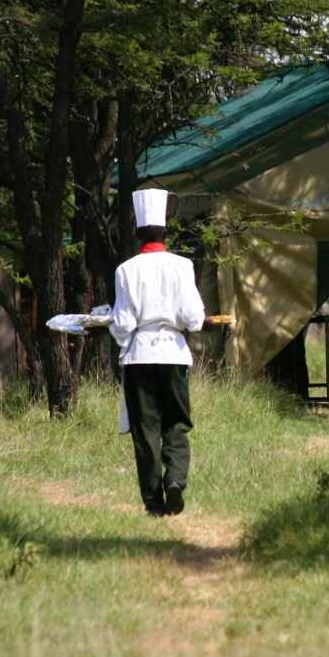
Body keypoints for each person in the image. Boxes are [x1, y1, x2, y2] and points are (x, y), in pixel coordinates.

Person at [110, 189, 206, 517]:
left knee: (146, 430)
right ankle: (175, 480)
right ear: (165, 231)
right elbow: (194, 318)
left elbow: (123, 324)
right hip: (175, 356)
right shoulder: (182, 266)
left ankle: (153, 502)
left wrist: (113, 329)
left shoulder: (126, 270)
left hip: (139, 357)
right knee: (176, 424)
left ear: (137, 233)